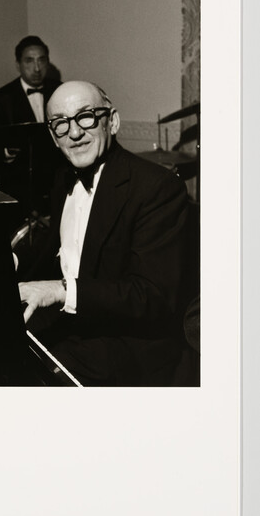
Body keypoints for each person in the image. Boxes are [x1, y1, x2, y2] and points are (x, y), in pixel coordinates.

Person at [16, 81, 190, 387]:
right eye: (60, 123)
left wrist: (60, 290)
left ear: (113, 121)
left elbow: (152, 296)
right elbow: (61, 248)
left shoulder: (157, 188)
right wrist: (11, 259)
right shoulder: (62, 178)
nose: (74, 132)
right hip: (73, 320)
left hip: (128, 342)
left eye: (86, 116)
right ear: (53, 137)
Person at [0, 36, 64, 214]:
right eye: (29, 61)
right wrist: (7, 152)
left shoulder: (61, 90)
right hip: (19, 184)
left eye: (41, 60)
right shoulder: (1, 98)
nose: (36, 68)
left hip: (58, 182)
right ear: (18, 64)